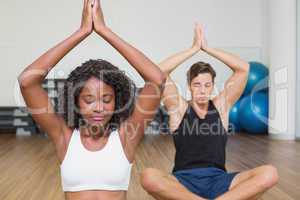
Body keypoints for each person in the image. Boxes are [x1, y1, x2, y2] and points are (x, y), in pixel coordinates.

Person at [18, 0, 166, 199]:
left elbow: (157, 79)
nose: (99, 108)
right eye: (88, 100)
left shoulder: (126, 136)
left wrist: (104, 30)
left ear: (117, 102)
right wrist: (82, 32)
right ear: (76, 102)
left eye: (106, 99)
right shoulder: (64, 136)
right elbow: (27, 81)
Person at [140, 24, 278, 200]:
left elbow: (243, 68)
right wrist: (192, 50)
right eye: (197, 85)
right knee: (148, 176)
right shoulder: (179, 109)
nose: (202, 90)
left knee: (270, 173)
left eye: (207, 85)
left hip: (219, 180)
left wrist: (207, 48)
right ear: (189, 86)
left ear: (213, 86)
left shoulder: (221, 107)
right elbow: (157, 72)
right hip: (183, 181)